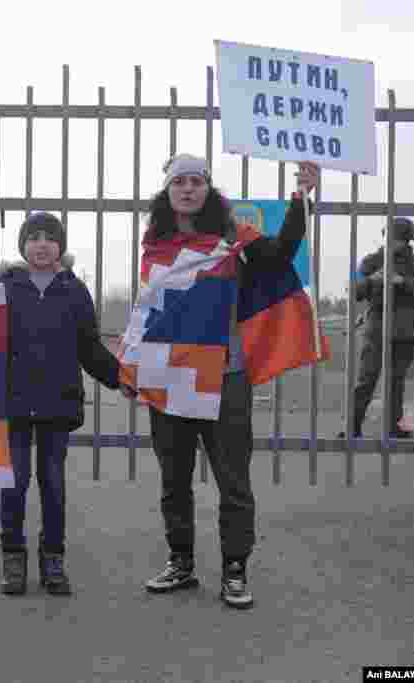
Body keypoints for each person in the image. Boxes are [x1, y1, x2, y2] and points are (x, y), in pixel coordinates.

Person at [121, 154, 318, 609]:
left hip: (225, 376)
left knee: (234, 481)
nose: (188, 189)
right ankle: (181, 561)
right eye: (179, 182)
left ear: (207, 189)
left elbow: (281, 252)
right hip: (168, 378)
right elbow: (147, 311)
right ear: (167, 192)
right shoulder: (155, 247)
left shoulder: (233, 238)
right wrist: (131, 365)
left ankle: (235, 568)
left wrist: (300, 198)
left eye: (196, 182)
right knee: (174, 479)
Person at [0, 212, 122, 596]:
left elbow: (89, 347)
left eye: (50, 238)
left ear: (61, 246)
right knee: (15, 482)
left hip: (59, 404)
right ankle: (13, 558)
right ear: (22, 246)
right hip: (15, 403)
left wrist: (121, 378)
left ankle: (53, 560)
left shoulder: (75, 290)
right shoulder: (4, 287)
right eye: (34, 237)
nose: (42, 244)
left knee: (53, 483)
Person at [342, 217, 414, 439]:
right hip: (376, 326)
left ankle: (392, 428)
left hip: (405, 330)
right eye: (390, 237)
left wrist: (401, 281)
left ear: (406, 241)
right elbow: (353, 289)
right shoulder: (371, 261)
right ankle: (352, 426)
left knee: (396, 383)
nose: (392, 242)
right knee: (366, 379)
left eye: (398, 239)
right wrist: (373, 280)